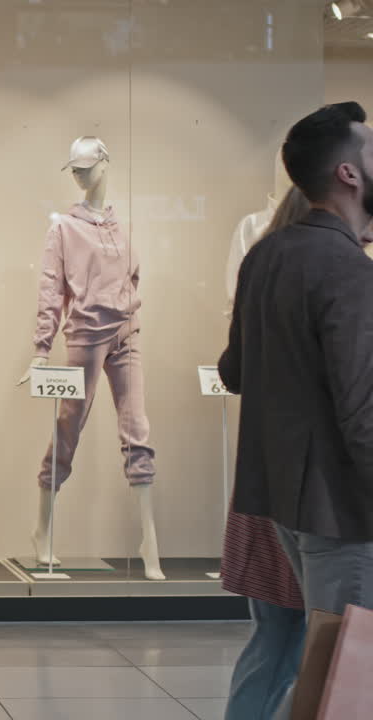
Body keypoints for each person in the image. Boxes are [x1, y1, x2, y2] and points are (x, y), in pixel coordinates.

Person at [219, 101, 373, 719]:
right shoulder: (346, 269)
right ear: (349, 173)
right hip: (342, 513)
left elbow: (234, 370)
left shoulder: (267, 255)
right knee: (345, 678)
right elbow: (361, 411)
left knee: (321, 669)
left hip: (283, 500)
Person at [221, 187, 309, 720]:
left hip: (265, 483)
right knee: (297, 644)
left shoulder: (262, 272)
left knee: (277, 639)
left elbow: (233, 369)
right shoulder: (322, 280)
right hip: (301, 495)